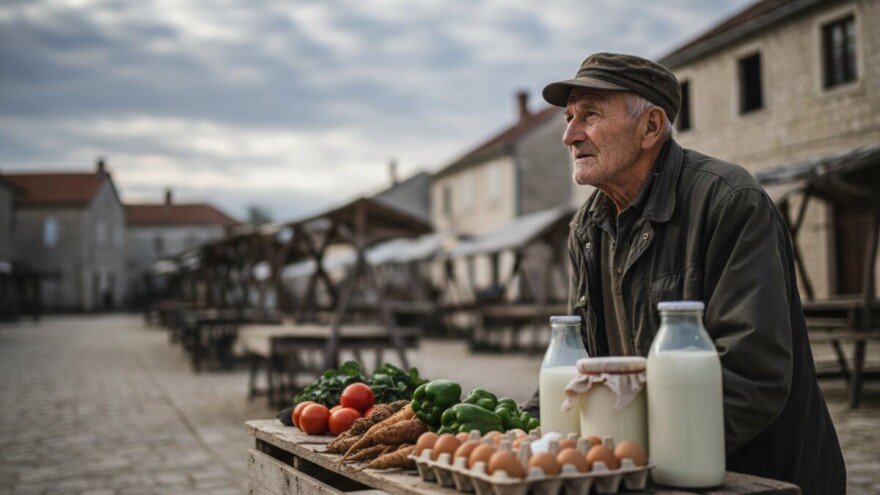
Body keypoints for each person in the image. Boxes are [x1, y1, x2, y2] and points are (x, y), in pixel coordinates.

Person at [523, 53, 846, 493]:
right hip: (650, 470)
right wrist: (521, 433)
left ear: (651, 128)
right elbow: (577, 359)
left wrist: (642, 455)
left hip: (754, 473)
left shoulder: (730, 201)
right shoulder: (587, 227)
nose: (569, 135)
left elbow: (752, 376)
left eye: (590, 115)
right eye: (569, 117)